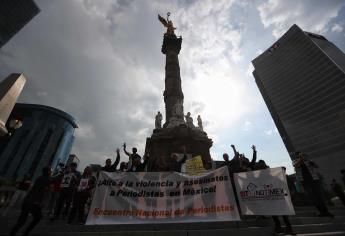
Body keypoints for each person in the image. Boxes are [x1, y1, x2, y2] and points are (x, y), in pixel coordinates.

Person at [9, 167, 51, 236]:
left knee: (22, 221)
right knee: (37, 217)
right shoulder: (47, 180)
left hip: (27, 201)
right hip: (34, 203)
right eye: (50, 171)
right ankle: (26, 232)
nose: (51, 172)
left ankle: (15, 233)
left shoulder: (39, 178)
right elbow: (45, 191)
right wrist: (42, 202)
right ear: (48, 172)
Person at [292, 151, 333, 217]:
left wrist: (311, 162)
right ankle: (321, 212)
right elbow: (296, 165)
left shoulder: (308, 160)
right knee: (313, 197)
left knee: (319, 196)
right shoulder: (295, 161)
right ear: (297, 156)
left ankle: (326, 211)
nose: (301, 156)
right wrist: (300, 159)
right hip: (305, 182)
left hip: (314, 180)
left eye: (302, 155)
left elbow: (316, 166)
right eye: (299, 155)